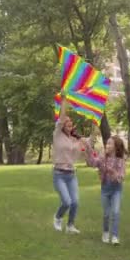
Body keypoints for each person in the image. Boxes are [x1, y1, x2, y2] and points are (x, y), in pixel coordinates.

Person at [84, 135, 127, 245]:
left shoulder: (120, 160)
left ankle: (115, 237)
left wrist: (114, 173)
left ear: (116, 147)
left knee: (116, 212)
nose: (106, 145)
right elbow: (91, 163)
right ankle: (106, 232)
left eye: (109, 143)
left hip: (116, 189)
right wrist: (88, 147)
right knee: (106, 214)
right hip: (105, 189)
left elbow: (121, 177)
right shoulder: (102, 158)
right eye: (106, 143)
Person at [52, 92, 83, 234]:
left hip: (71, 174)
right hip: (59, 174)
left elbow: (86, 143)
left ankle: (70, 226)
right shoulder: (57, 134)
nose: (69, 125)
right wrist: (64, 100)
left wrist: (95, 131)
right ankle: (58, 217)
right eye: (66, 123)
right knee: (66, 202)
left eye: (71, 124)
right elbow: (61, 117)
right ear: (63, 125)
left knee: (75, 202)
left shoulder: (74, 139)